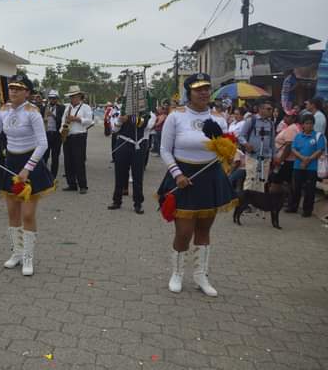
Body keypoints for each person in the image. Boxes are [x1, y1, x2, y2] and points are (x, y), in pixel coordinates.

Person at [158, 73, 236, 297]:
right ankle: (177, 273)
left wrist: (230, 152)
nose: (203, 93)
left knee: (204, 229)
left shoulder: (219, 118)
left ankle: (201, 275)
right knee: (184, 231)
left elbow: (225, 148)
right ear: (189, 92)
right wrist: (177, 175)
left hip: (210, 177)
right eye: (198, 89)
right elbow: (165, 150)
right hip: (184, 178)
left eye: (206, 88)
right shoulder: (176, 116)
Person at [0, 74, 54, 276]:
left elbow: (43, 144)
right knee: (12, 213)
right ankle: (17, 253)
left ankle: (28, 257)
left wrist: (28, 168)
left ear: (27, 93)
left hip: (30, 163)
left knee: (27, 214)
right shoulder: (3, 110)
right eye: (11, 88)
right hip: (10, 162)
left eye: (18, 88)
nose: (13, 91)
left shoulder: (33, 112)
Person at [108, 110, 149, 214]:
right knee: (119, 174)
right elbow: (114, 129)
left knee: (138, 176)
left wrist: (129, 118)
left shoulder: (146, 113)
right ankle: (117, 201)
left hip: (138, 145)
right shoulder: (121, 113)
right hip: (123, 143)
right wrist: (120, 121)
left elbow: (143, 124)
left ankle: (138, 203)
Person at [289, 113, 325, 217]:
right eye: (306, 123)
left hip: (312, 167)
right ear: (302, 125)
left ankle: (307, 210)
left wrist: (308, 159)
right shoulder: (298, 136)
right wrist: (302, 158)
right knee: (296, 187)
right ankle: (293, 207)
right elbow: (293, 149)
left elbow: (320, 150)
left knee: (310, 189)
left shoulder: (318, 136)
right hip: (298, 166)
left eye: (311, 123)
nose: (309, 125)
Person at [61, 85, 93, 194]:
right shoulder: (67, 108)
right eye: (71, 96)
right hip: (68, 136)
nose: (72, 98)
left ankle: (83, 186)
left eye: (74, 96)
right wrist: (62, 130)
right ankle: (72, 184)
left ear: (79, 96)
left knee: (79, 161)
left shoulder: (85, 107)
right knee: (68, 161)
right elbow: (63, 120)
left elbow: (89, 121)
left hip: (79, 136)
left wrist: (77, 119)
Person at [239, 101, 276, 197]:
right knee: (251, 179)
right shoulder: (251, 121)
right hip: (253, 156)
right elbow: (241, 136)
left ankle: (258, 201)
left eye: (271, 109)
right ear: (261, 109)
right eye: (268, 109)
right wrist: (246, 144)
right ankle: (246, 200)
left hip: (266, 157)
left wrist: (274, 156)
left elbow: (272, 141)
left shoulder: (271, 124)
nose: (271, 111)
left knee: (262, 180)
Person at [43, 90, 65, 179]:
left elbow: (62, 121)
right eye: (51, 98)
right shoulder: (44, 107)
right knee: (44, 156)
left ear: (57, 99)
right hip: (46, 134)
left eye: (54, 98)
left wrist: (53, 115)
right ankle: (44, 175)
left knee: (55, 157)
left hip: (56, 135)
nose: (52, 100)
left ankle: (53, 177)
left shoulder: (62, 108)